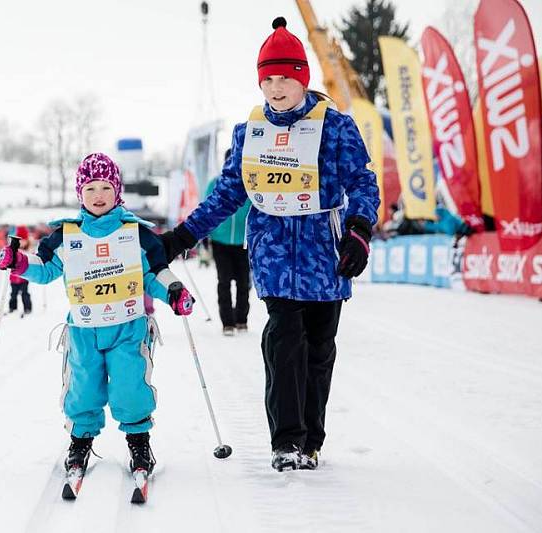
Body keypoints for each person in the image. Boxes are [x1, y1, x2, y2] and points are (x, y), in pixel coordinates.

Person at [160, 18, 379, 471]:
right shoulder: (249, 133)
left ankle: (311, 440)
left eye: (285, 78)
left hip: (325, 255)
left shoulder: (335, 127)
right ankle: (287, 441)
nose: (276, 88)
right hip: (274, 254)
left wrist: (359, 228)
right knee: (283, 342)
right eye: (268, 79)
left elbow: (363, 181)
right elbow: (226, 194)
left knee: (319, 350)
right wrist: (182, 237)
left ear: (303, 78)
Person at [0, 153, 195, 479]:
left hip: (128, 328)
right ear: (80, 194)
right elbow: (45, 269)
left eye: (105, 187)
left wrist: (175, 292)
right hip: (84, 329)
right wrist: (17, 263)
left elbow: (154, 273)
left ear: (117, 191)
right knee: (83, 388)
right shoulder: (66, 236)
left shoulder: (135, 233)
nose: (98, 195)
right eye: (90, 188)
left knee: (131, 386)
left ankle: (139, 442)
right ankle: (80, 441)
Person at [206, 149, 252, 336]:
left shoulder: (250, 183)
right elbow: (207, 208)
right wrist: (204, 234)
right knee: (224, 281)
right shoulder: (215, 183)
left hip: (243, 241)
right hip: (220, 240)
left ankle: (241, 319)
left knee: (243, 282)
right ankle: (227, 322)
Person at [8, 225, 33, 316]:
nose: (21, 243)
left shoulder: (28, 251)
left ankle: (27, 308)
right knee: (13, 294)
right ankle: (12, 308)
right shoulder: (13, 250)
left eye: (23, 241)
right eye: (20, 241)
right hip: (14, 277)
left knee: (24, 293)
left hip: (24, 277)